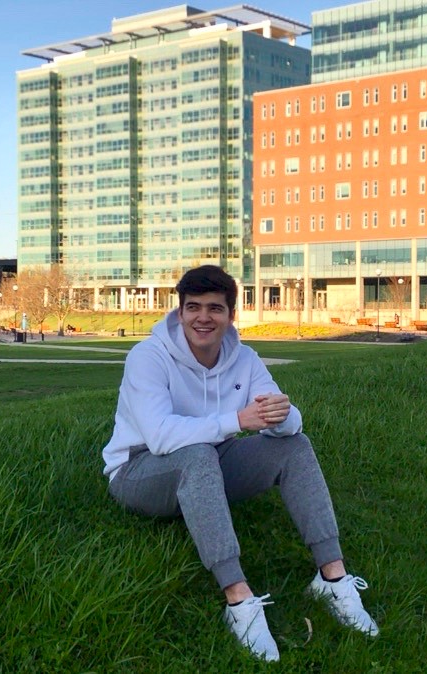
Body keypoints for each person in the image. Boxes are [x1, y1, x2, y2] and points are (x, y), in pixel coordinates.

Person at [101, 265, 378, 662]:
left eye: (215, 308)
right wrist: (236, 421)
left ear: (232, 315)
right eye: (192, 307)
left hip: (210, 463)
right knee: (197, 454)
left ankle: (332, 577)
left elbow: (282, 421)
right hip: (139, 470)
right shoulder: (148, 357)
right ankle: (239, 599)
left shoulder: (244, 359)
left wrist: (284, 415)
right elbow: (159, 436)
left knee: (295, 446)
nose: (202, 318)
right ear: (179, 313)